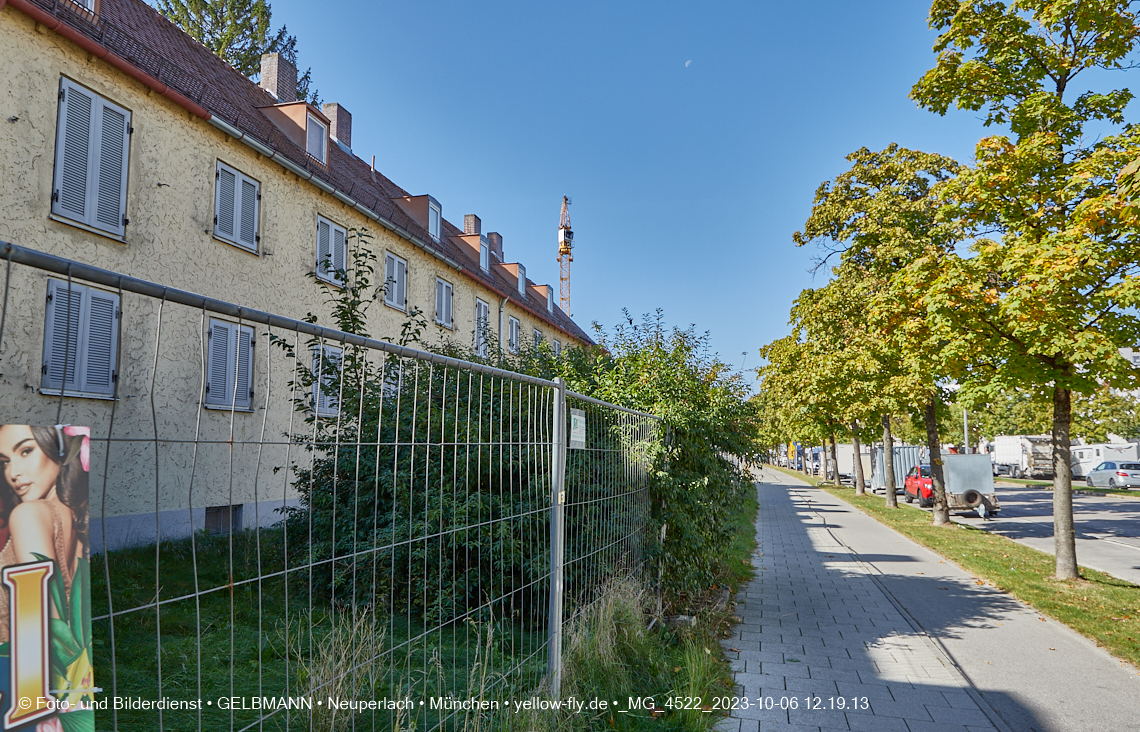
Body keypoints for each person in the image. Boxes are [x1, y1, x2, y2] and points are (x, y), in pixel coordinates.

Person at [0, 425, 89, 642]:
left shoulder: (28, 515)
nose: (13, 473)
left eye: (26, 451)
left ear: (59, 450)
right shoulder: (76, 517)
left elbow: (41, 632)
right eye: (5, 462)